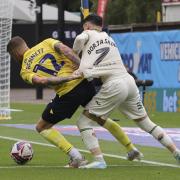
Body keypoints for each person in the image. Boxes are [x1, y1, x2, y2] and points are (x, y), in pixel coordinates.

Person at [7, 36, 140, 169]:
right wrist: (83, 67)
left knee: (42, 127)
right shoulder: (46, 42)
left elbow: (42, 81)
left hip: (68, 93)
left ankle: (76, 157)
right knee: (100, 117)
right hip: (84, 83)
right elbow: (66, 50)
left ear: (15, 53)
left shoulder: (24, 70)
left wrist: (67, 78)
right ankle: (130, 148)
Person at [72, 14, 180, 168]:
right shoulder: (109, 38)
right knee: (147, 123)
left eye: (85, 28)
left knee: (83, 121)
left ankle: (99, 160)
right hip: (129, 82)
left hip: (114, 84)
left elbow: (79, 40)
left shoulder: (87, 33)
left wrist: (75, 53)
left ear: (87, 26)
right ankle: (176, 152)